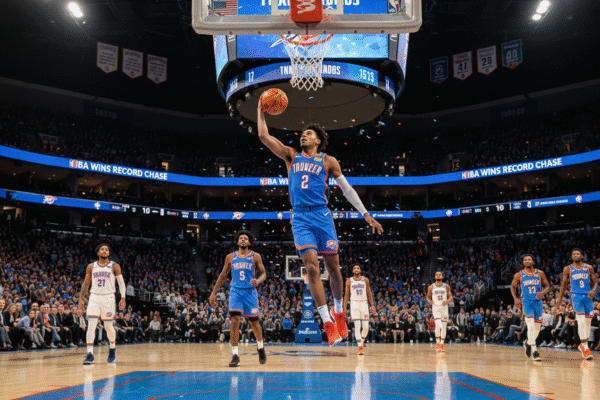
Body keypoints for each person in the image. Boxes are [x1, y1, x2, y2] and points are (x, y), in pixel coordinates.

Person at [257, 105, 383, 347]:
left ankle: (339, 312)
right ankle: (327, 321)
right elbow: (264, 136)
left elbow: (347, 189)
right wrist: (261, 110)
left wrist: (365, 214)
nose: (303, 136)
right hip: (300, 218)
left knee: (333, 268)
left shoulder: (328, 160)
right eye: (302, 134)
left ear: (318, 140)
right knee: (312, 269)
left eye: (308, 134)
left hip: (322, 216)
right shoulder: (291, 155)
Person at [209, 230, 267, 367]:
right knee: (235, 321)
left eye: (245, 238)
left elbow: (263, 273)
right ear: (237, 241)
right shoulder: (230, 257)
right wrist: (213, 292)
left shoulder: (255, 256)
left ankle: (260, 347)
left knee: (254, 323)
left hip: (250, 292)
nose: (243, 240)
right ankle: (235, 355)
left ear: (249, 242)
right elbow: (223, 275)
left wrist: (258, 281)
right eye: (241, 238)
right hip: (235, 291)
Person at [78, 243, 126, 364]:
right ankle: (89, 354)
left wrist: (123, 298)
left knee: (108, 327)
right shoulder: (91, 266)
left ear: (109, 253)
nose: (104, 251)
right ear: (98, 252)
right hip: (94, 297)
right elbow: (86, 284)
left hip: (108, 297)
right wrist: (81, 299)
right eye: (102, 249)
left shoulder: (114, 266)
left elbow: (121, 283)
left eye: (106, 250)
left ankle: (112, 347)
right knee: (91, 325)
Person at [557, 248, 598, 360]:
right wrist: (559, 300)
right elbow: (563, 284)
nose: (575, 255)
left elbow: (595, 281)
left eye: (577, 254)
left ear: (582, 256)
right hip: (576, 296)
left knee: (588, 322)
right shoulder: (567, 269)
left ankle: (583, 345)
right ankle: (585, 347)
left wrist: (593, 290)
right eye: (573, 254)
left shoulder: (589, 267)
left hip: (588, 296)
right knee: (581, 320)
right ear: (572, 256)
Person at [511, 254, 550, 361]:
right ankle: (535, 351)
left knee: (537, 328)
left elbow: (547, 286)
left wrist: (543, 292)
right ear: (523, 262)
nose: (527, 261)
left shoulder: (540, 273)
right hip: (526, 302)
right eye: (525, 260)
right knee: (530, 325)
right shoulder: (519, 275)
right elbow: (512, 287)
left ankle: (528, 343)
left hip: (537, 302)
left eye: (529, 259)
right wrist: (515, 299)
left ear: (533, 262)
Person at [344, 263, 376, 355]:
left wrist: (372, 305)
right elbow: (346, 295)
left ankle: (361, 343)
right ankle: (360, 347)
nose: (356, 269)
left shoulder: (365, 280)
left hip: (364, 304)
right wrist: (344, 307)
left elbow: (369, 293)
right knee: (357, 326)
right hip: (354, 304)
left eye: (358, 268)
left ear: (360, 270)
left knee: (365, 327)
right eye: (354, 268)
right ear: (352, 270)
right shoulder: (349, 281)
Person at [427, 271, 453, 352]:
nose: (438, 276)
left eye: (440, 274)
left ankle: (442, 344)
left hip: (444, 308)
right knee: (438, 325)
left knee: (444, 326)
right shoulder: (431, 287)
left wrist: (447, 301)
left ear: (442, 277)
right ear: (435, 277)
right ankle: (437, 342)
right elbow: (427, 297)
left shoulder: (446, 286)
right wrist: (429, 301)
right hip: (436, 308)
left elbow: (451, 297)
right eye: (436, 274)